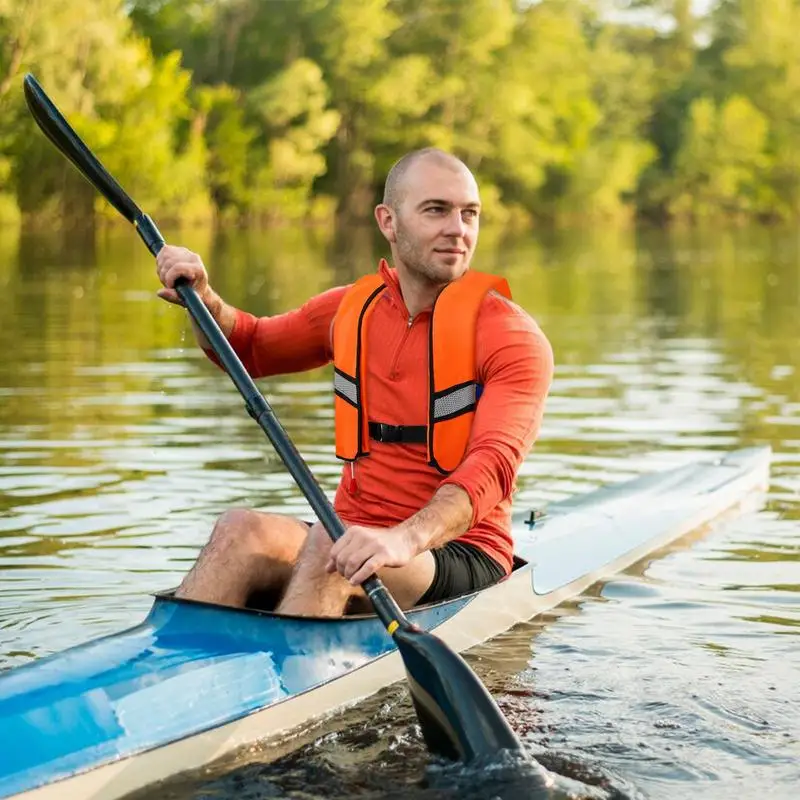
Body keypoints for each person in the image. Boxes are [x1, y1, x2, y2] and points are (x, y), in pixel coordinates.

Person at [155, 147, 553, 617]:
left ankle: (292, 681)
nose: (458, 229)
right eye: (436, 210)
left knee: (332, 548)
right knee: (239, 528)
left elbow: (490, 470)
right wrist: (203, 298)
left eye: (470, 214)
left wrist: (404, 538)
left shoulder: (511, 336)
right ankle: (170, 671)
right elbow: (249, 346)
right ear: (388, 221)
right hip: (348, 535)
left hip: (455, 550)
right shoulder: (352, 309)